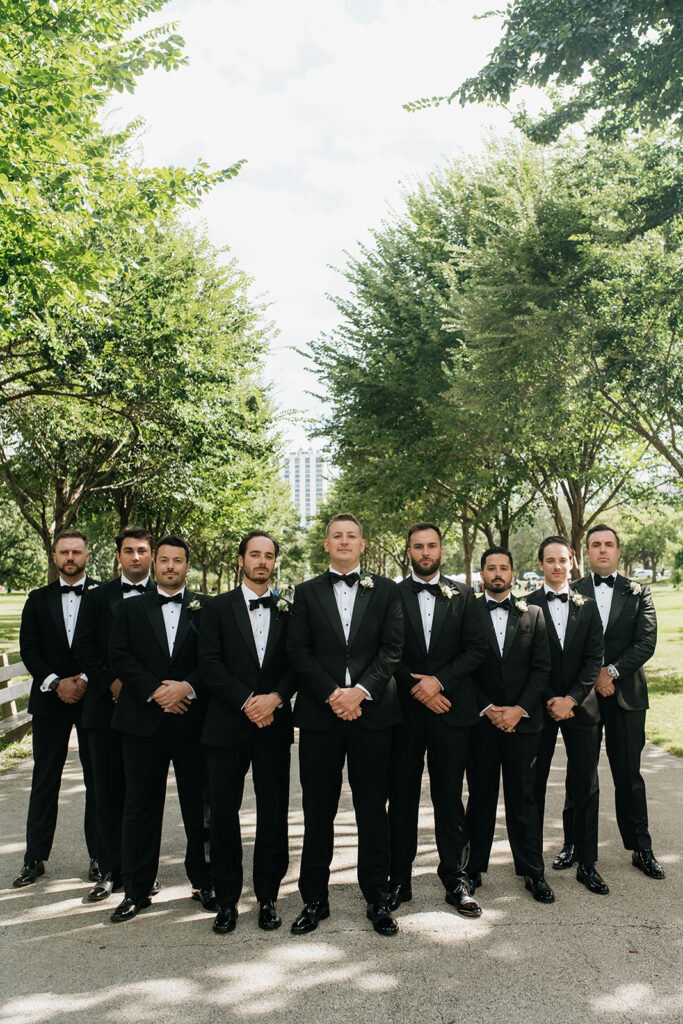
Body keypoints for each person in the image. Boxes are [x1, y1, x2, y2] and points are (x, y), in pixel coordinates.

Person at [287, 513, 403, 936]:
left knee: (373, 808)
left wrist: (360, 692)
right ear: (326, 544)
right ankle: (314, 898)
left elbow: (393, 650)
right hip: (322, 715)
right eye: (336, 536)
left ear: (362, 544)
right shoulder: (304, 592)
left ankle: (378, 897)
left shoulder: (387, 590)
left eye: (351, 536)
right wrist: (333, 694)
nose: (344, 541)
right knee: (317, 810)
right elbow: (298, 651)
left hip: (373, 714)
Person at [108, 535, 213, 922]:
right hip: (142, 722)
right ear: (155, 565)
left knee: (200, 807)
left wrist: (187, 688)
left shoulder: (208, 607)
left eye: (178, 560)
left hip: (193, 721)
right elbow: (119, 656)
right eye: (165, 560)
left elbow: (215, 657)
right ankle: (136, 890)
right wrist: (155, 690)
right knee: (139, 807)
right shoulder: (129, 609)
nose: (171, 566)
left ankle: (205, 882)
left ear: (188, 565)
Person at [387, 522, 487, 917]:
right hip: (405, 714)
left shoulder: (464, 595)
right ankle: (399, 878)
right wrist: (419, 689)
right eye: (418, 547)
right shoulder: (392, 594)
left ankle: (457, 878)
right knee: (403, 798)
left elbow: (476, 648)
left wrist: (440, 683)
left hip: (450, 711)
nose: (425, 552)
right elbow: (388, 650)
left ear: (441, 550)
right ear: (408, 551)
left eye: (431, 546)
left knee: (449, 797)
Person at [554, 525, 664, 880]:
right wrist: (591, 679)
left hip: (626, 697)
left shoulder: (638, 591)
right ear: (586, 553)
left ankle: (640, 847)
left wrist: (610, 672)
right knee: (580, 773)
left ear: (618, 551)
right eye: (596, 545)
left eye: (609, 545)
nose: (602, 550)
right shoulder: (572, 591)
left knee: (628, 773)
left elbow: (646, 642)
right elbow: (566, 643)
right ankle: (572, 844)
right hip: (582, 699)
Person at [200, 531, 295, 935]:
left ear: (275, 562)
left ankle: (269, 897)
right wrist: (247, 701)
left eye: (268, 556)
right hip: (226, 724)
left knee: (273, 812)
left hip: (273, 724)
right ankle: (226, 900)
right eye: (254, 555)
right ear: (241, 559)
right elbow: (209, 662)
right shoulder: (217, 607)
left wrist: (274, 698)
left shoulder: (291, 609)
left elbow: (299, 660)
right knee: (223, 813)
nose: (262, 561)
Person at [465, 546, 553, 903]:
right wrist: (487, 708)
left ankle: (533, 871)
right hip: (482, 724)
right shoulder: (467, 613)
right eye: (491, 568)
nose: (497, 573)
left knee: (524, 799)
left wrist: (518, 709)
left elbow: (542, 669)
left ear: (513, 574)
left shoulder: (533, 614)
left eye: (503, 568)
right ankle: (471, 870)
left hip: (523, 725)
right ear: (482, 574)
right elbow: (463, 666)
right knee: (480, 798)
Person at [14, 529, 99, 888]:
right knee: (45, 777)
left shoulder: (103, 595)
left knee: (98, 779)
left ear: (87, 555)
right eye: (64, 552)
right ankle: (34, 857)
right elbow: (29, 648)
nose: (70, 558)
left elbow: (111, 645)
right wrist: (55, 681)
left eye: (76, 552)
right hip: (50, 699)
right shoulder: (37, 599)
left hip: (92, 698)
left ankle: (101, 856)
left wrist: (83, 679)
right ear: (54, 556)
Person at [78, 526, 156, 902]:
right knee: (106, 792)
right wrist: (110, 682)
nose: (136, 557)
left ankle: (142, 871)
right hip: (104, 709)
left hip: (149, 711)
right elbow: (84, 646)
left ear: (152, 555)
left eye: (142, 550)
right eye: (129, 551)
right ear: (118, 556)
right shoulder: (96, 598)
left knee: (142, 795)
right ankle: (108, 869)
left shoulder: (166, 595)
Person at [527, 537, 607, 895]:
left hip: (580, 707)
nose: (557, 566)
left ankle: (586, 863)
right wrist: (548, 699)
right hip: (538, 710)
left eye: (563, 560)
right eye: (550, 560)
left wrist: (571, 699)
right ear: (541, 564)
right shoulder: (525, 605)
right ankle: (533, 869)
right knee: (532, 786)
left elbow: (594, 660)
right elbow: (523, 661)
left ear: (573, 563)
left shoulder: (587, 606)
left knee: (586, 786)